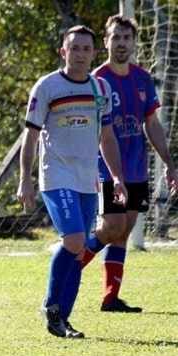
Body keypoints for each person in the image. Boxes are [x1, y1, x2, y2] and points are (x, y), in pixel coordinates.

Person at [18, 25, 128, 339]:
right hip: (56, 176)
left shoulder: (101, 89)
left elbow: (106, 136)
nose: (80, 54)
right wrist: (25, 178)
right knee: (75, 240)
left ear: (94, 53)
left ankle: (62, 320)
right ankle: (51, 306)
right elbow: (31, 135)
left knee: (79, 252)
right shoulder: (47, 86)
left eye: (85, 49)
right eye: (74, 48)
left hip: (87, 179)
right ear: (63, 52)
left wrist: (117, 178)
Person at [82, 14, 178, 313]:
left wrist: (169, 164)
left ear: (134, 42)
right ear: (107, 41)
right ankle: (70, 264)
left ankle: (111, 298)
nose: (121, 43)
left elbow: (152, 123)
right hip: (106, 167)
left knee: (125, 230)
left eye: (126, 38)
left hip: (137, 167)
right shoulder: (97, 80)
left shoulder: (142, 78)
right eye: (116, 38)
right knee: (113, 226)